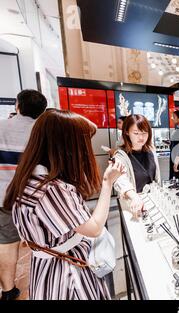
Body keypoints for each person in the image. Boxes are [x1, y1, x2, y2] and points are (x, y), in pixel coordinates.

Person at [3, 109, 125, 300]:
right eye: (82, 143)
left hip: (45, 269)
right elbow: (93, 229)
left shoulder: (28, 178)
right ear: (66, 147)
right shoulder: (50, 189)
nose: (85, 150)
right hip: (68, 273)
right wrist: (108, 183)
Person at [0, 89, 47, 300]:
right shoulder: (43, 132)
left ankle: (9, 291)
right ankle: (44, 286)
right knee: (42, 243)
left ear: (17, 106)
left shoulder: (1, 127)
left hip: (4, 198)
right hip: (35, 200)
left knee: (7, 244)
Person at [114, 114, 161, 217]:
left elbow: (156, 178)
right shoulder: (121, 155)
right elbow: (120, 180)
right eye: (136, 133)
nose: (141, 137)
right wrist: (133, 196)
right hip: (133, 204)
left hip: (152, 202)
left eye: (144, 133)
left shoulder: (151, 150)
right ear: (127, 132)